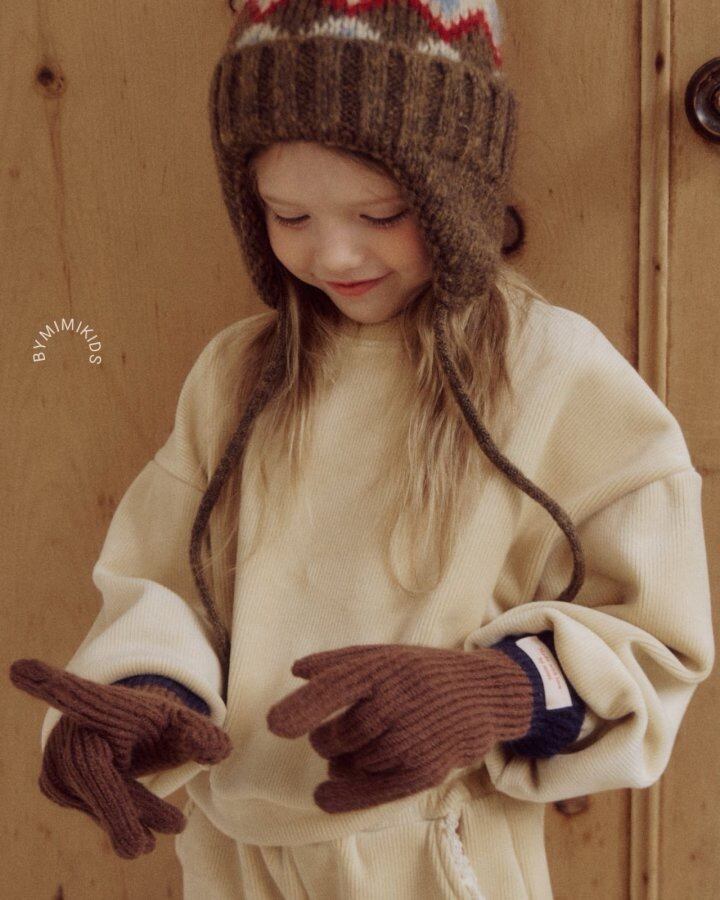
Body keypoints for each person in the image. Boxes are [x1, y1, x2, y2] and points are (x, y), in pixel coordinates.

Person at [9, 1, 714, 897]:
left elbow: (656, 642)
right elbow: (166, 581)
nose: (334, 253)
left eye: (381, 213)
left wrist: (499, 691)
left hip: (434, 858)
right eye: (288, 214)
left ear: (453, 194)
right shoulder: (237, 378)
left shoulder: (552, 375)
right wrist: (144, 701)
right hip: (236, 862)